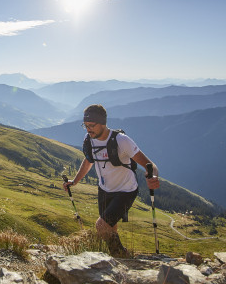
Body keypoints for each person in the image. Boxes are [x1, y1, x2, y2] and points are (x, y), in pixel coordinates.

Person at [63, 104, 160, 257]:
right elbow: (88, 161)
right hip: (104, 190)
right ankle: (120, 256)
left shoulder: (121, 140)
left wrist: (153, 175)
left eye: (92, 125)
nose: (88, 129)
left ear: (102, 123)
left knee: (101, 226)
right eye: (85, 126)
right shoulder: (90, 140)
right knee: (110, 227)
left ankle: (120, 256)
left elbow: (150, 165)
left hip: (125, 191)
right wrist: (74, 181)